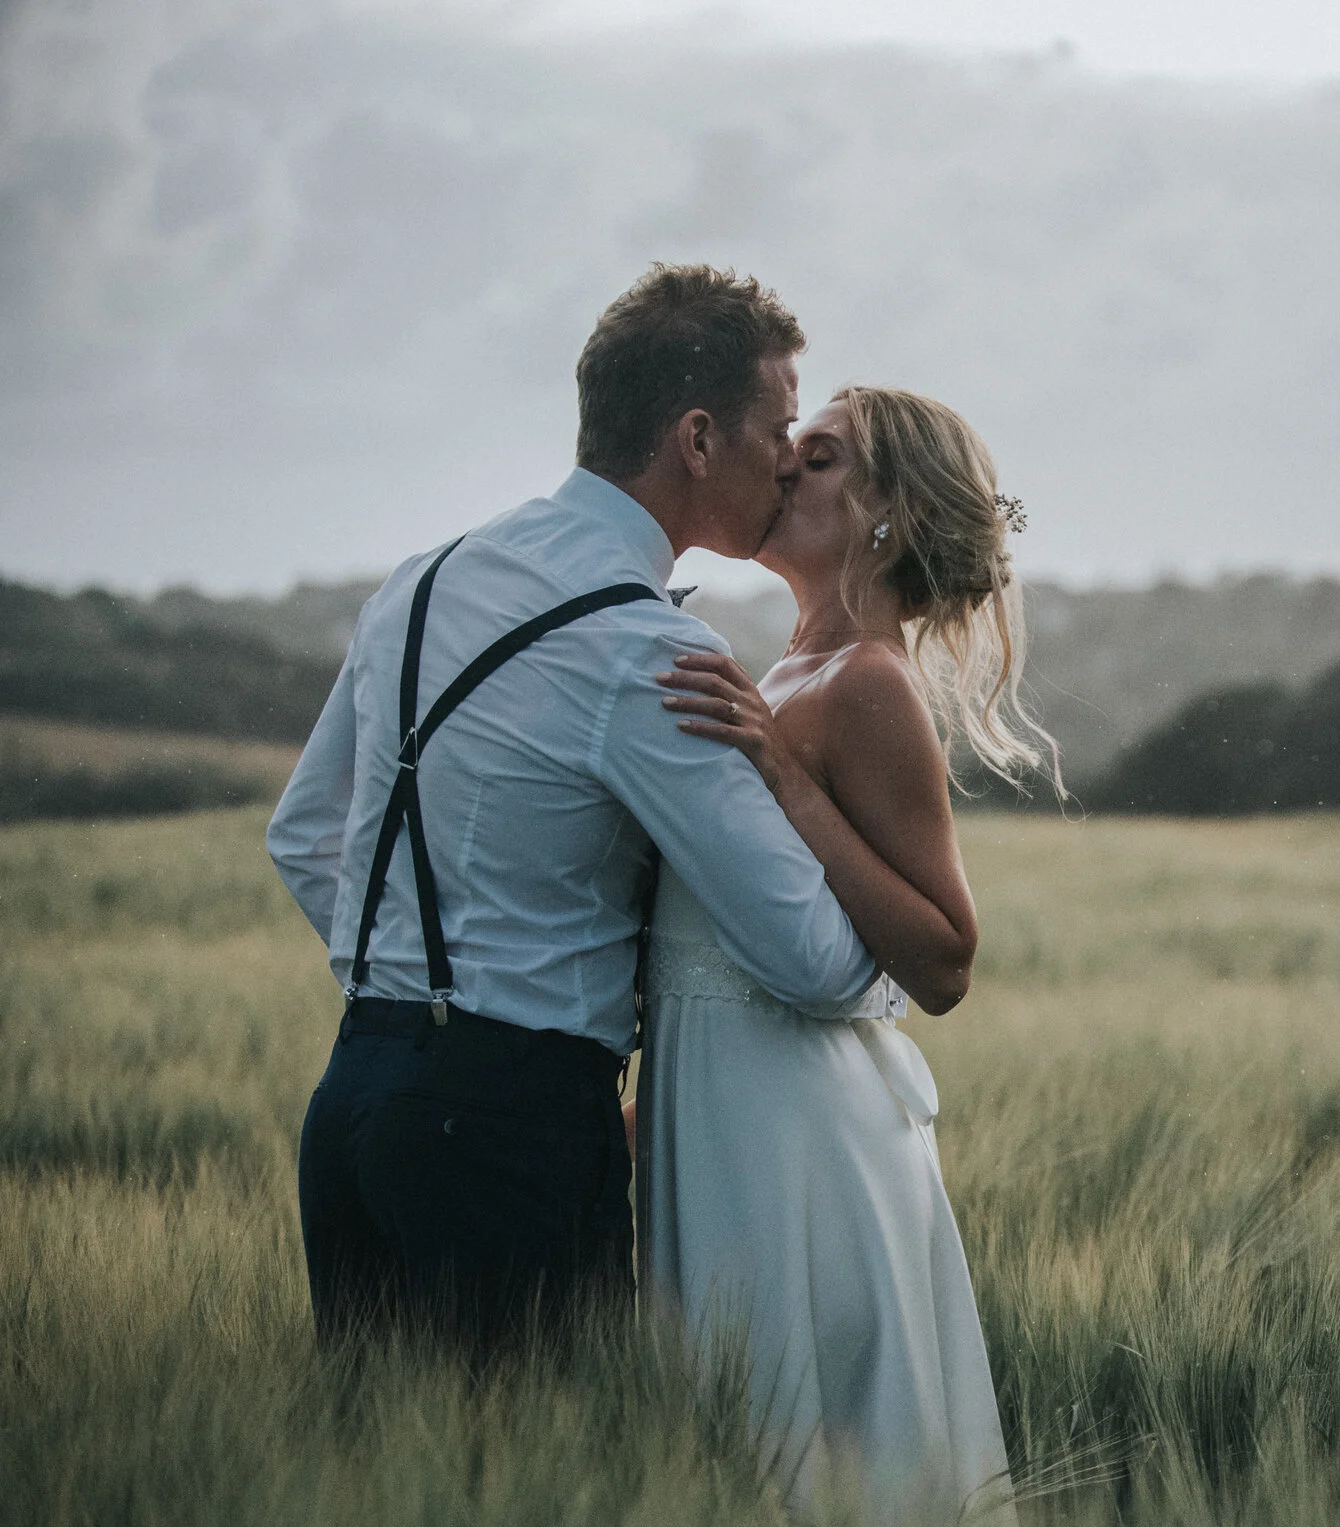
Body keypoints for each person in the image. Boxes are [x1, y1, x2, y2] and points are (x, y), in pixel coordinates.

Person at [266, 265, 880, 1365]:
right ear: (696, 439)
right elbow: (820, 963)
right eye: (777, 425)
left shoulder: (421, 579)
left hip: (350, 1102)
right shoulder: (650, 649)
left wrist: (419, 984)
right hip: (511, 1133)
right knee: (533, 1476)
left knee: (375, 1508)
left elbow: (303, 834)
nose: (787, 456)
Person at [637, 385, 1058, 1527]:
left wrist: (784, 778)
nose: (780, 467)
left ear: (885, 514)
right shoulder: (780, 675)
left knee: (816, 1474)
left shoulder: (865, 683)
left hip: (798, 1132)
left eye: (817, 458)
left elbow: (946, 956)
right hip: (718, 1100)